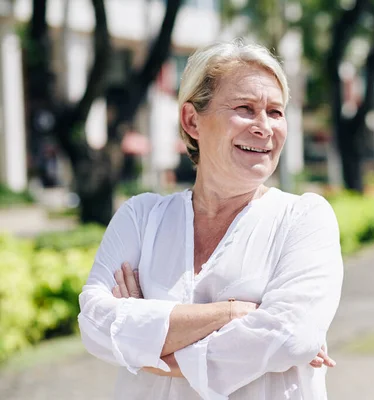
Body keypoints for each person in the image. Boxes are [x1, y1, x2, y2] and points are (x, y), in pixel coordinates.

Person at [77, 40, 344, 400]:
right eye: (245, 108)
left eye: (276, 112)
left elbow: (289, 337)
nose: (264, 127)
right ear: (192, 121)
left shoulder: (304, 219)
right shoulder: (141, 217)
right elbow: (96, 322)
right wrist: (234, 313)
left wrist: (145, 337)